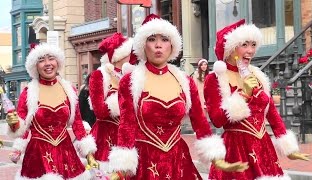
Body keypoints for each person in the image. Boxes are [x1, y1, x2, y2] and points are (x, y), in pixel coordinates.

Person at [107, 14, 245, 180]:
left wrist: (215, 157)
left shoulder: (185, 81)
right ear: (143, 45)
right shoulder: (129, 81)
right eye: (152, 39)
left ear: (172, 45)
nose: (158, 45)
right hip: (145, 164)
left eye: (164, 39)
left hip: (179, 161)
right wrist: (121, 168)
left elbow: (200, 122)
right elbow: (126, 125)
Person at [204, 19, 309, 180]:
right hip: (236, 150)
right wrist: (244, 94)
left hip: (263, 149)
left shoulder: (257, 75)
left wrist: (289, 148)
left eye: (253, 45)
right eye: (245, 45)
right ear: (231, 48)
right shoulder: (216, 79)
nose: (251, 50)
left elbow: (272, 113)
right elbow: (217, 120)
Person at [5, 43, 99, 179]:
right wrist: (13, 123)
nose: (47, 63)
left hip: (67, 154)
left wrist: (89, 154)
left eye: (51, 58)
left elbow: (77, 124)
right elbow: (22, 127)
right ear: (35, 66)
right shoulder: (28, 93)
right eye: (41, 60)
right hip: (38, 156)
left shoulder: (69, 90)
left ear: (58, 61)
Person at [89, 33, 134, 172]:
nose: (133, 57)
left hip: (129, 136)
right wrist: (123, 101)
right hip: (106, 137)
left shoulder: (132, 75)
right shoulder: (100, 75)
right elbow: (100, 111)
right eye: (130, 53)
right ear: (120, 56)